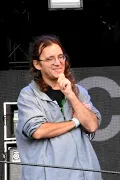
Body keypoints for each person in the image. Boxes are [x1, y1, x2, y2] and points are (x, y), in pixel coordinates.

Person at [15, 34, 103, 180]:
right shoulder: (28, 95)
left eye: (60, 57)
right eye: (50, 59)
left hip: (85, 175)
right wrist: (75, 122)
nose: (58, 62)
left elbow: (92, 125)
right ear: (37, 64)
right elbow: (38, 131)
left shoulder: (78, 91)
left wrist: (70, 94)